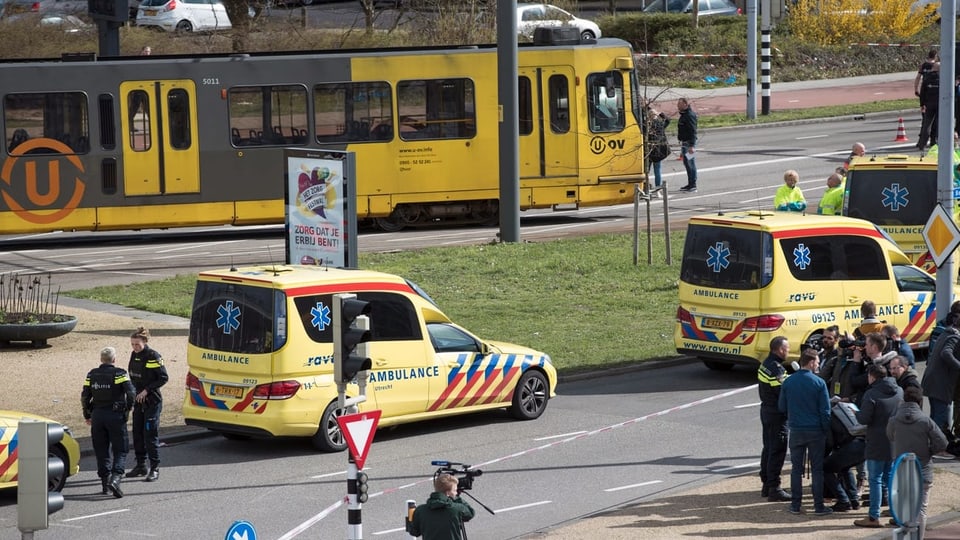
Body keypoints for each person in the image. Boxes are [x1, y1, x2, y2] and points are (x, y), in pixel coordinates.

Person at [778, 347, 833, 516]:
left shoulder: (788, 382)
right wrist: (826, 429)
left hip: (796, 429)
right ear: (810, 363)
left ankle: (795, 505)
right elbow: (825, 411)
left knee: (796, 469)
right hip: (816, 430)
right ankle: (818, 506)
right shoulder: (819, 383)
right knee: (817, 470)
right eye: (816, 362)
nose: (818, 365)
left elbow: (781, 407)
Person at [886, 386, 948, 536]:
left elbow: (890, 436)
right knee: (921, 509)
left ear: (903, 401)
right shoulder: (926, 421)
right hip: (923, 470)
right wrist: (929, 451)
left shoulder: (894, 420)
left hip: (901, 470)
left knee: (904, 507)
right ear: (920, 402)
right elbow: (943, 442)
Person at [81, 346, 136, 498]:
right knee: (121, 449)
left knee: (101, 450)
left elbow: (85, 396)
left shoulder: (92, 374)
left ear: (101, 359)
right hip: (115, 416)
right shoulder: (119, 373)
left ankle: (105, 484)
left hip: (97, 416)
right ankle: (116, 479)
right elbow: (131, 393)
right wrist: (127, 410)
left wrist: (87, 414)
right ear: (114, 359)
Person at [854, 363, 903, 528]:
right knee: (890, 478)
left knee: (875, 479)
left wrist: (856, 413)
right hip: (894, 441)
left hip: (876, 441)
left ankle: (873, 516)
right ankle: (895, 512)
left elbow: (863, 419)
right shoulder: (899, 391)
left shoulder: (871, 394)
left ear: (872, 377)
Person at [126, 326, 169, 482]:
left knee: (150, 435)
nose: (135, 347)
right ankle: (140, 465)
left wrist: (147, 390)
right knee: (137, 433)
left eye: (137, 344)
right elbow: (132, 377)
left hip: (152, 401)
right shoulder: (133, 355)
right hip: (138, 401)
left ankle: (155, 468)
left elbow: (163, 377)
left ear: (144, 341)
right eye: (132, 344)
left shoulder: (153, 356)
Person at [757, 336, 791, 502]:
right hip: (777, 414)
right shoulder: (777, 370)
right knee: (777, 450)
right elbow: (784, 393)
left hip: (766, 411)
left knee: (768, 448)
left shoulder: (765, 364)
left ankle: (766, 483)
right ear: (780, 350)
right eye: (787, 349)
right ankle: (774, 487)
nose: (789, 351)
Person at [920, 315, 960, 454]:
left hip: (933, 381)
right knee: (939, 417)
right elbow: (946, 353)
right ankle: (934, 449)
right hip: (940, 384)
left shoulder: (946, 332)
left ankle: (930, 445)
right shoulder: (955, 337)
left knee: (935, 415)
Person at [408, 473, 476, 540]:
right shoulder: (457, 509)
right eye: (455, 490)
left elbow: (414, 532)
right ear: (448, 493)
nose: (456, 493)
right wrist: (456, 498)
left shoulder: (420, 510)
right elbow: (470, 513)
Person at [645, 103, 670, 198]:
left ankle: (646, 188)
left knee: (646, 171)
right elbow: (668, 120)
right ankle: (658, 190)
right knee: (657, 171)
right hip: (657, 151)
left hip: (648, 151)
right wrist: (661, 114)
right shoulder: (660, 124)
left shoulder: (647, 126)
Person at [676, 97, 698, 193]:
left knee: (690, 164)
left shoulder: (689, 115)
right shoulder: (684, 114)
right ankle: (690, 184)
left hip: (688, 143)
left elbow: (693, 131)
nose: (678, 106)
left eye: (679, 104)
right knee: (687, 163)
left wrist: (692, 145)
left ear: (685, 104)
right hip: (685, 143)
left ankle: (693, 185)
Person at [918, 61, 940, 152]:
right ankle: (935, 142)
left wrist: (922, 104)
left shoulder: (927, 78)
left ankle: (922, 144)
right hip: (940, 104)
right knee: (939, 124)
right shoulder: (944, 78)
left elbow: (923, 92)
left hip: (929, 103)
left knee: (927, 124)